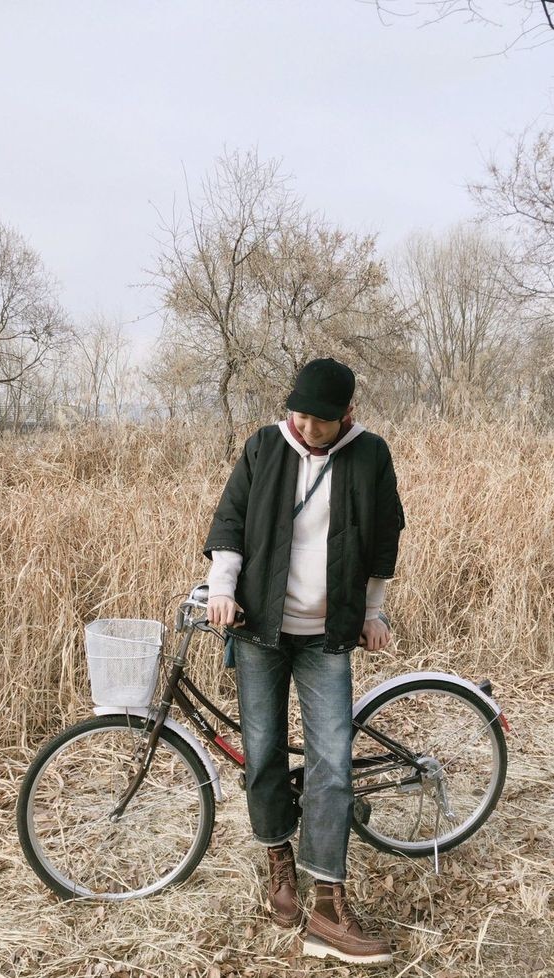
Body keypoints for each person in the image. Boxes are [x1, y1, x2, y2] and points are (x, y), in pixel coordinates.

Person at [203, 357, 404, 965]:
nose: (305, 426)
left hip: (327, 634)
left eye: (318, 420)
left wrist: (374, 610)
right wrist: (221, 585)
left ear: (347, 414)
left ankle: (328, 903)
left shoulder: (370, 455)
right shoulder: (265, 445)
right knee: (262, 753)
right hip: (262, 628)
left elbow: (383, 537)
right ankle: (277, 860)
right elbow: (231, 519)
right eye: (299, 413)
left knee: (332, 764)